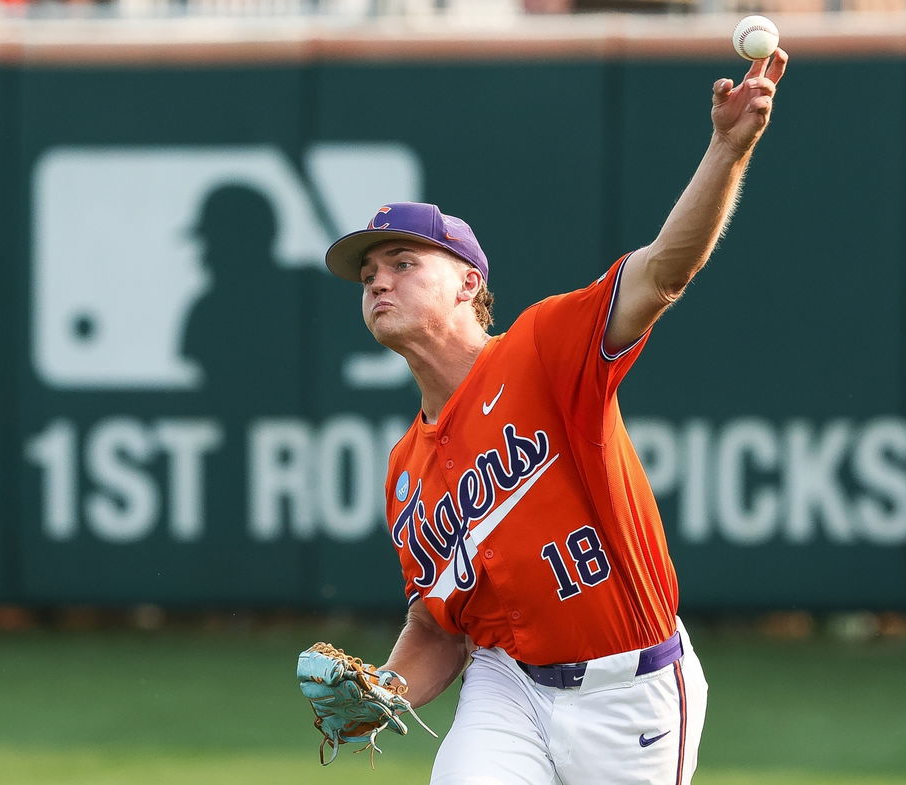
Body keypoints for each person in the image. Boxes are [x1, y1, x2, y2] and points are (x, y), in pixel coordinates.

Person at [320, 50, 789, 785]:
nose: (378, 280)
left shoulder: (542, 348)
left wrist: (727, 150)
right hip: (508, 684)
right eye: (368, 273)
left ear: (468, 282)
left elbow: (664, 270)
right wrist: (385, 688)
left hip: (631, 690)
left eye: (403, 262)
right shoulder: (405, 471)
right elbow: (437, 627)